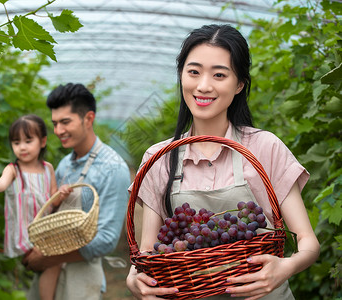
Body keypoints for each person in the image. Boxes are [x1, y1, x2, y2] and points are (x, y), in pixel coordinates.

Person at [126, 24, 320, 300]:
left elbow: (308, 241)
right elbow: (148, 253)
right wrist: (135, 277)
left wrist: (285, 267)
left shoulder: (264, 147)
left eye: (219, 75)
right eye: (193, 72)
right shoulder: (159, 158)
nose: (203, 86)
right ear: (181, 76)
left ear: (239, 84)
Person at [22, 83, 131, 300]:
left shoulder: (113, 169)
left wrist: (48, 258)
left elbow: (107, 239)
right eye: (54, 123)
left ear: (88, 119)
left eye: (65, 122)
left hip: (80, 278)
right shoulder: (65, 164)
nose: (58, 131)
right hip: (49, 272)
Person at [0, 114, 68, 300]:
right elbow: (1, 184)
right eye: (16, 142)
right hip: (25, 237)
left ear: (43, 142)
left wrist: (61, 193)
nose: (22, 147)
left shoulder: (47, 169)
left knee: (54, 262)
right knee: (53, 262)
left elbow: (54, 200)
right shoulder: (13, 170)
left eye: (28, 141)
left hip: (44, 232)